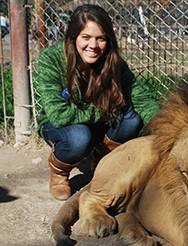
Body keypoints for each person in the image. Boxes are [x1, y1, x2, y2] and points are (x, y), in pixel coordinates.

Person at [35, 4, 143, 200]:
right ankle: (59, 172)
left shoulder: (112, 61)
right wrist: (104, 110)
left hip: (100, 119)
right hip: (61, 126)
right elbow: (58, 115)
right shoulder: (50, 60)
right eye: (86, 37)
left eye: (101, 38)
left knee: (131, 119)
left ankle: (101, 162)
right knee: (79, 138)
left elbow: (141, 97)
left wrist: (166, 125)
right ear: (73, 36)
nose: (93, 45)